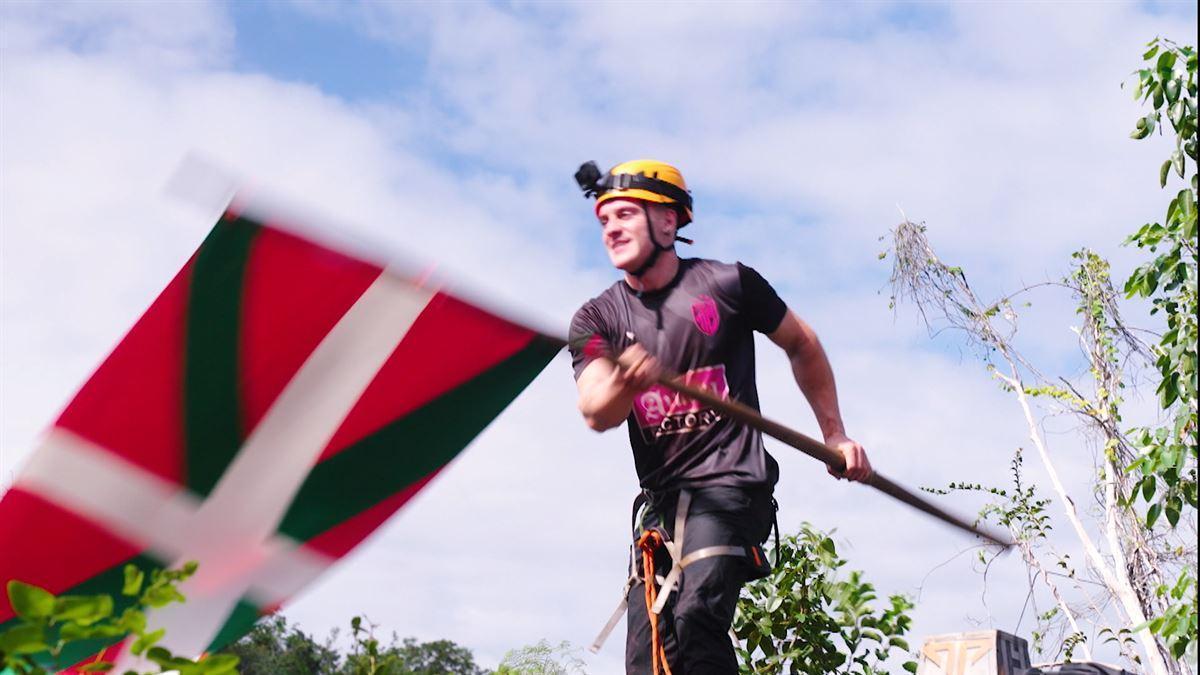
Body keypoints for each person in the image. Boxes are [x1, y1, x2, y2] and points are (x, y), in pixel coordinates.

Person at [568, 159, 874, 675]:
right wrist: (624, 380)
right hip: (660, 507)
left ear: (668, 222)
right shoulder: (597, 319)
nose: (611, 229)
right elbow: (596, 411)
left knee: (693, 623)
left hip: (732, 489)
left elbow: (803, 344)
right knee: (649, 663)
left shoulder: (729, 285)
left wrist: (835, 433)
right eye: (604, 221)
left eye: (624, 215)